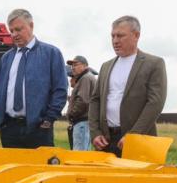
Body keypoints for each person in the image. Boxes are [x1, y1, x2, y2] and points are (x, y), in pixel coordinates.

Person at [89, 16, 167, 157]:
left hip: (139, 141)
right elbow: (95, 100)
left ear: (136, 35)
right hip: (105, 142)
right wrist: (95, 133)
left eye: (120, 36)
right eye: (113, 36)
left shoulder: (154, 64)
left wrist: (133, 135)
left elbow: (155, 103)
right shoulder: (106, 66)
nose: (115, 41)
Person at [0, 9, 68, 148]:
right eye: (11, 31)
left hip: (39, 130)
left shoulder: (51, 53)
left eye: (18, 29)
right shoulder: (6, 58)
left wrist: (49, 119)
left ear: (31, 25)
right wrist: (0, 121)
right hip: (9, 129)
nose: (14, 34)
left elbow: (60, 90)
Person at [66, 56, 97, 151]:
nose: (73, 68)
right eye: (72, 66)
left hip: (82, 122)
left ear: (85, 66)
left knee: (79, 153)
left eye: (76, 65)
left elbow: (83, 100)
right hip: (84, 122)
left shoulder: (85, 78)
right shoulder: (86, 77)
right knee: (82, 151)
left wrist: (71, 115)